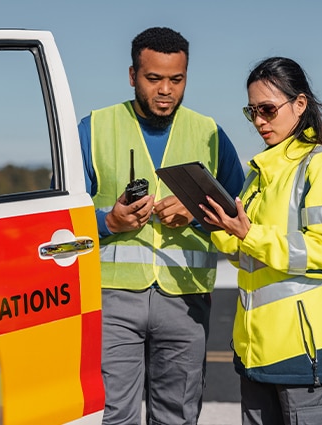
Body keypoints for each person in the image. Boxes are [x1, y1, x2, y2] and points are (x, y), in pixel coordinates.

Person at [78, 27, 245, 424]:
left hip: (185, 298)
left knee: (178, 415)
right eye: (154, 79)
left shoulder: (210, 135)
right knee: (111, 415)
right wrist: (109, 221)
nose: (166, 90)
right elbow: (62, 221)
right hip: (111, 297)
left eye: (176, 79)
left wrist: (197, 215)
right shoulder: (93, 129)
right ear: (133, 75)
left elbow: (240, 218)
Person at [199, 57, 322, 425]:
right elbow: (251, 259)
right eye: (252, 111)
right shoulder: (260, 174)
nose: (259, 121)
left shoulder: (321, 167)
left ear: (299, 104)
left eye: (268, 110)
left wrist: (248, 233)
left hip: (305, 356)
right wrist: (220, 227)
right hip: (256, 352)